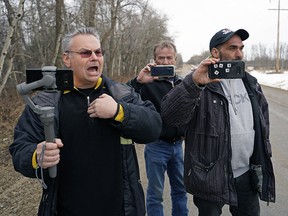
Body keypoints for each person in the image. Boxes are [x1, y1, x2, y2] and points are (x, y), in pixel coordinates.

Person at [9, 27, 162, 216]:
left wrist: (118, 111)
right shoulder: (45, 102)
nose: (94, 57)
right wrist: (36, 156)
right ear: (67, 59)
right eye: (85, 53)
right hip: (65, 209)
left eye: (98, 52)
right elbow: (19, 150)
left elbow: (154, 127)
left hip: (120, 209)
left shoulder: (121, 93)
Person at [161, 28, 275, 216]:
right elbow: (170, 116)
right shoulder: (200, 81)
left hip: (246, 174)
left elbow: (263, 122)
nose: (239, 53)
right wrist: (194, 84)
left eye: (241, 48)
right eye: (232, 48)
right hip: (210, 176)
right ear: (215, 52)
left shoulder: (251, 83)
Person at [127, 41, 188, 216]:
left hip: (178, 147)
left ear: (175, 59)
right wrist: (138, 81)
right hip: (156, 145)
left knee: (180, 190)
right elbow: (124, 97)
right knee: (155, 194)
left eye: (169, 57)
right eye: (160, 58)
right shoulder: (146, 83)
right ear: (154, 60)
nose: (165, 61)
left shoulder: (182, 84)